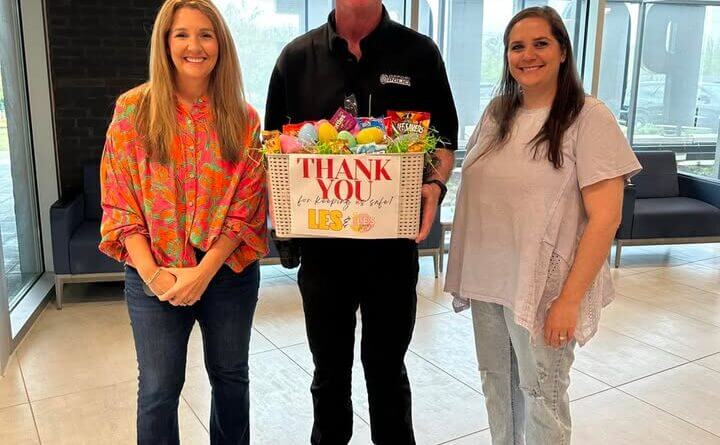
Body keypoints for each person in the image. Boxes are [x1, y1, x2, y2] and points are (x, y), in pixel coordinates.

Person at [445, 6, 641, 445]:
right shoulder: (498, 113)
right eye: (517, 46)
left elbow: (605, 217)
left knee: (542, 398)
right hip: (489, 279)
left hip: (544, 288)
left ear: (563, 51)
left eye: (540, 44)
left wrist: (568, 300)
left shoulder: (589, 117)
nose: (527, 55)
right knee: (497, 386)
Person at [265, 1, 458, 443]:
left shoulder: (420, 53)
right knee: (329, 375)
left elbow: (444, 141)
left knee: (387, 372)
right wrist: (279, 208)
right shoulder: (296, 58)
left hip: (392, 252)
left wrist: (435, 183)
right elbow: (274, 148)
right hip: (322, 254)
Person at [98, 1, 267, 443]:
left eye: (206, 34)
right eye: (182, 34)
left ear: (221, 44)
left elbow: (247, 209)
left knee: (231, 378)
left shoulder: (245, 119)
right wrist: (154, 275)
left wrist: (204, 272)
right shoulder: (133, 110)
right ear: (165, 42)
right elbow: (120, 202)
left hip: (227, 273)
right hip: (154, 271)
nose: (195, 45)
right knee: (158, 390)